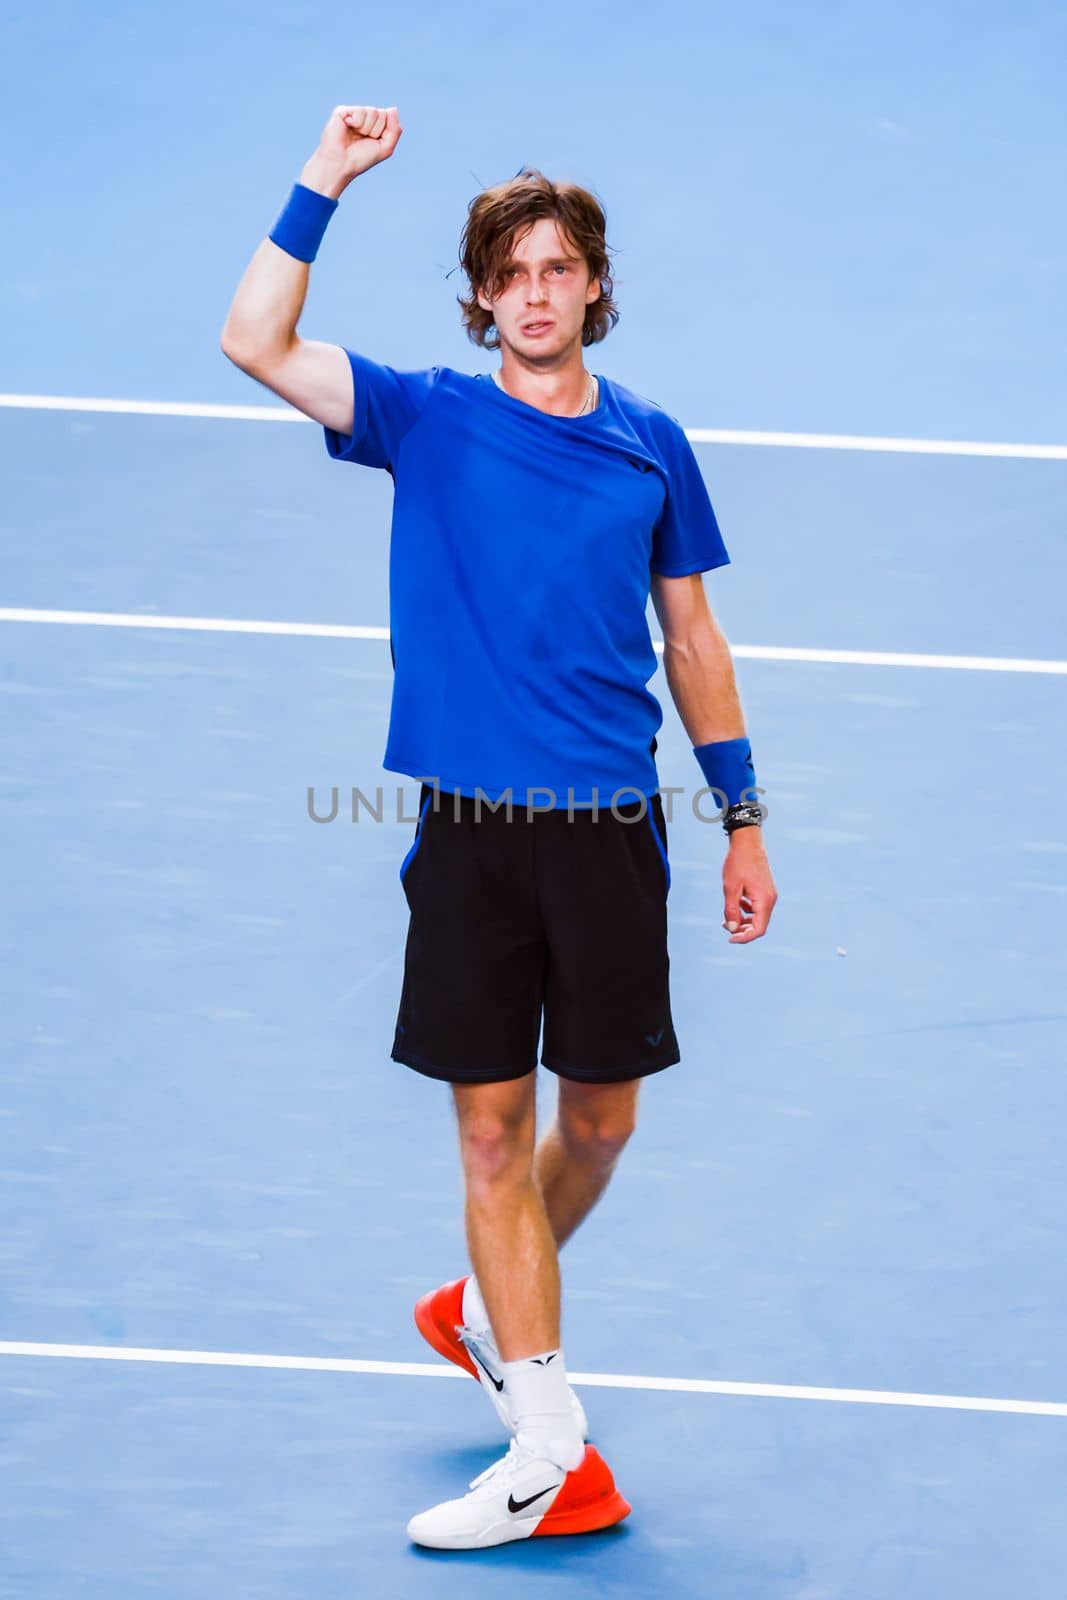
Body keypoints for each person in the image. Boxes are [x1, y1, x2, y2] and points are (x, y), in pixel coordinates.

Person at [221, 104, 778, 1552]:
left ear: (594, 285)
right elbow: (257, 342)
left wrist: (744, 816)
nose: (536, 292)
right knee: (490, 1140)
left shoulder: (652, 446)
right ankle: (547, 1439)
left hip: (610, 834)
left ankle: (479, 1310)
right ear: (481, 300)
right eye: (510, 273)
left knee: (598, 1125)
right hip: (470, 839)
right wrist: (320, 181)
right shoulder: (425, 413)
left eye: (559, 268)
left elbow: (696, 637)